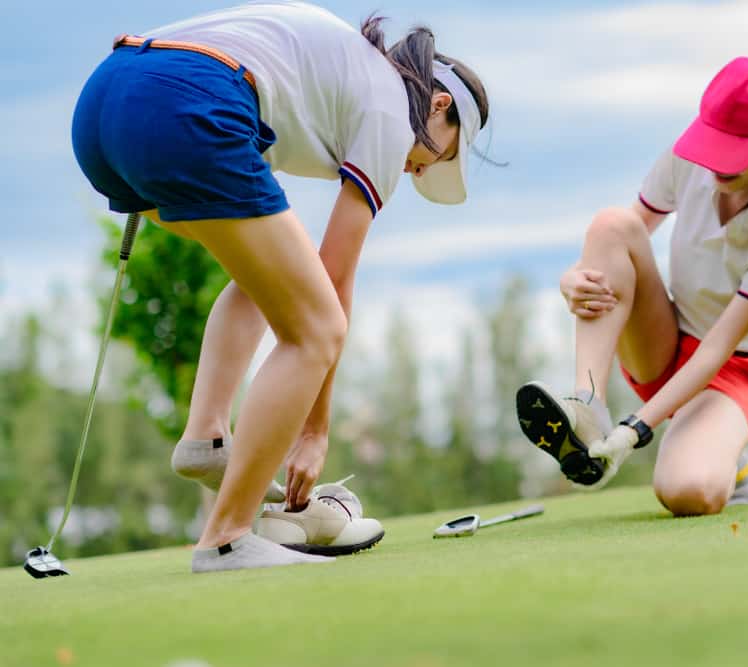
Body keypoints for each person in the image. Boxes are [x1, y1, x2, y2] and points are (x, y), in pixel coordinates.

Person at [71, 0, 490, 572]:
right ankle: (227, 537)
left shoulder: (340, 73)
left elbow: (299, 275)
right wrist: (313, 432)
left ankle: (206, 437)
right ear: (439, 106)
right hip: (187, 101)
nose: (424, 168)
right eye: (441, 151)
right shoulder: (394, 110)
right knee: (318, 327)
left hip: (103, 105)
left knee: (269, 277)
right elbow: (335, 278)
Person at [515, 56, 748, 515]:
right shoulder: (685, 159)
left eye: (738, 148)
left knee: (688, 493)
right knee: (612, 222)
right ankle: (587, 405)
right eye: (717, 140)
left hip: (735, 372)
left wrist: (635, 431)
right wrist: (571, 278)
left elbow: (715, 352)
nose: (718, 162)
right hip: (665, 344)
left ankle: (732, 464)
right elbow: (620, 239)